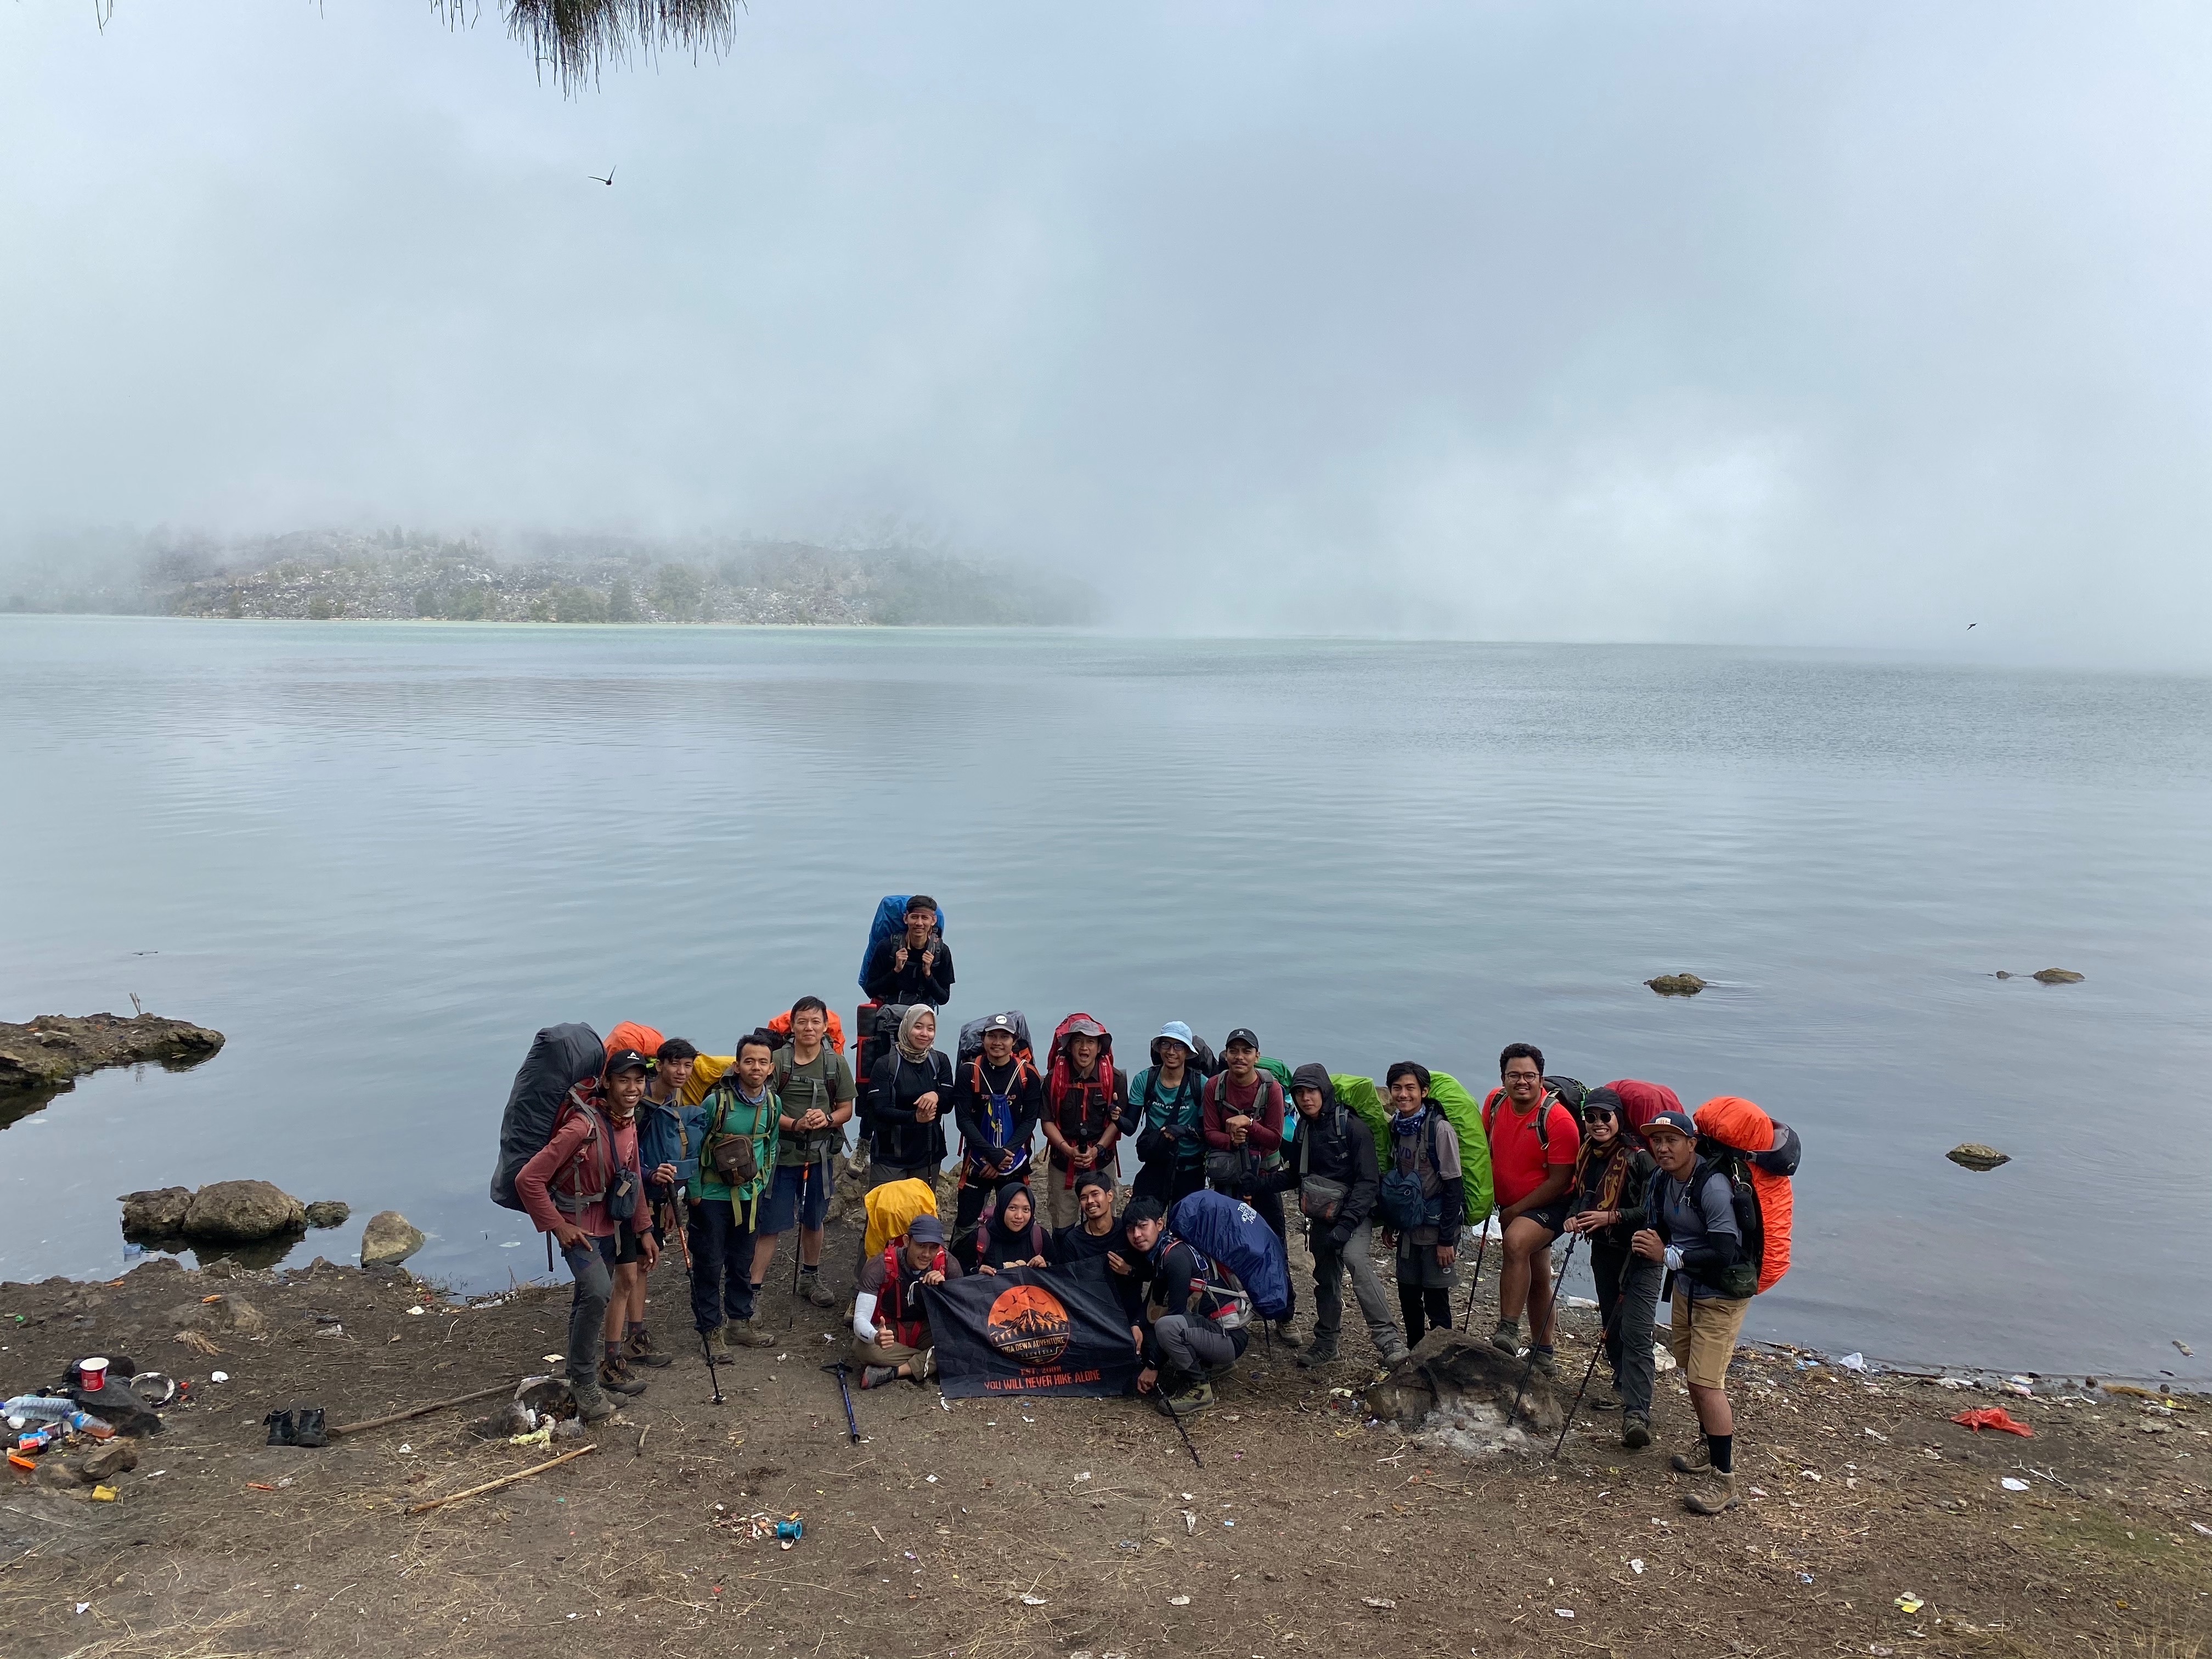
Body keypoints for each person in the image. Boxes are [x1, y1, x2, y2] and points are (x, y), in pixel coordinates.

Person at [515, 1046, 659, 1422]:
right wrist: (556, 1224)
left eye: (639, 1080)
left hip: (609, 1226)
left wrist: (643, 1229)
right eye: (624, 1080)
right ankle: (583, 1382)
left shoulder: (628, 1122)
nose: (632, 1088)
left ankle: (580, 1376)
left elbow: (633, 1181)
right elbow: (528, 1179)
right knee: (598, 1291)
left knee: (587, 1298)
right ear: (607, 1082)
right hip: (578, 1229)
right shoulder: (582, 1126)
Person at [1636, 1108, 1752, 1514]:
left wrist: (1668, 1256)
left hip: (1721, 1294)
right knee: (1690, 1370)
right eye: (1657, 1141)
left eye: (1672, 1140)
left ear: (1692, 1144)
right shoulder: (1662, 1180)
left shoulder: (1714, 1187)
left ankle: (1725, 1480)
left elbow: (1725, 1251)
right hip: (1687, 1289)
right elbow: (1662, 1230)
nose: (1663, 1148)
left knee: (1706, 1382)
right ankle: (1707, 1445)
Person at [1257, 1064, 1407, 1368]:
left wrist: (1347, 1224)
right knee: (1325, 1278)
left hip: (1355, 1213)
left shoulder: (1352, 1128)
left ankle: (1389, 1340)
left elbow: (1368, 1183)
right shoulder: (1304, 1130)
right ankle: (1327, 1343)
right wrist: (1258, 1184)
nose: (1305, 1099)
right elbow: (1298, 1175)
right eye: (1299, 1093)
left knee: (1356, 1261)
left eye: (1311, 1091)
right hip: (1322, 1214)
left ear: (1324, 1091)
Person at [1564, 1085, 1662, 1448]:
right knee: (1612, 1324)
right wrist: (1575, 1217)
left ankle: (1637, 1415)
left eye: (1605, 1116)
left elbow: (1656, 1211)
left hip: (1641, 1254)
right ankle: (1624, 1388)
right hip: (1604, 1251)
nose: (1597, 1123)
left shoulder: (1640, 1159)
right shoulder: (1588, 1154)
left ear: (1618, 1118)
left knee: (1636, 1332)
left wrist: (1612, 1216)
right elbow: (1581, 1196)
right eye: (1590, 1117)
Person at [1482, 1042, 1581, 1373]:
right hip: (1512, 1203)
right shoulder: (1495, 1103)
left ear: (1541, 1077)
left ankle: (1508, 1329)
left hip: (1551, 1203)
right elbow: (1485, 1149)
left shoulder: (1558, 1120)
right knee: (1537, 1276)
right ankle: (1544, 1352)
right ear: (1503, 1077)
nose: (1521, 1082)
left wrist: (1513, 1211)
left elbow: (1559, 1181)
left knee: (1515, 1243)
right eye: (1514, 1075)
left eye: (1529, 1076)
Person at [751, 997, 855, 1310]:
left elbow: (847, 1109)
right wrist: (795, 1124)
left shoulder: (835, 1063)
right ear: (792, 1026)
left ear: (825, 1026)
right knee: (770, 1225)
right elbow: (763, 1106)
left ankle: (810, 1276)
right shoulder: (778, 1061)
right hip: (781, 1157)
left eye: (815, 1022)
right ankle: (752, 1290)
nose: (809, 1028)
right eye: (802, 1022)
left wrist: (827, 1120)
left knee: (814, 1219)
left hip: (820, 1157)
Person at [1201, 1029, 1296, 1339]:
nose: (1239, 1057)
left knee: (1273, 1243)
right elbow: (1209, 1133)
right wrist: (1232, 1139)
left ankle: (1285, 1313)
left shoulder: (1272, 1089)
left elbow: (1274, 1139)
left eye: (1246, 1051)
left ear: (1257, 1055)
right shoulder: (1215, 1086)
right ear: (1225, 1055)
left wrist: (1249, 1125)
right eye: (1233, 1050)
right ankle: (1234, 1307)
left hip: (1264, 1178)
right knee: (1227, 1241)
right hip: (1228, 1177)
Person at [690, 1033, 780, 1352]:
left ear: (771, 1068)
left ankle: (738, 1324)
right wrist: (695, 1192)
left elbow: (771, 1145)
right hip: (712, 1198)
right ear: (737, 1065)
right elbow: (696, 1148)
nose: (756, 1067)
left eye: (762, 1062)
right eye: (749, 1061)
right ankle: (710, 1331)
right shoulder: (716, 1102)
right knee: (709, 1263)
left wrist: (762, 1179)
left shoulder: (772, 1102)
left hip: (750, 1196)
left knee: (742, 1262)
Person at [624, 1036, 702, 1370]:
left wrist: (674, 1199)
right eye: (675, 1064)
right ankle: (629, 1339)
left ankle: (635, 1336)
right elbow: (626, 1155)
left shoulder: (672, 1099)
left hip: (657, 1197)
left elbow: (673, 1153)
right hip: (630, 1198)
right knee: (629, 1269)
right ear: (659, 1065)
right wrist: (648, 1176)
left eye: (688, 1065)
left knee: (642, 1265)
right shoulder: (638, 1104)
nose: (682, 1071)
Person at [1375, 1061, 1465, 1347]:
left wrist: (1447, 1240)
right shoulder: (1397, 1127)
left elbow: (1454, 1187)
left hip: (1435, 1230)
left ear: (1424, 1091)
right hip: (1408, 1231)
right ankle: (1415, 1357)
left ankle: (1443, 1360)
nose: (1403, 1094)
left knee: (1436, 1299)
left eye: (1410, 1088)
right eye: (1397, 1088)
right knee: (1408, 1297)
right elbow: (1398, 1179)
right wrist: (1391, 1222)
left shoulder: (1440, 1130)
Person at [1133, 1205, 1246, 1415]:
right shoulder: (1165, 1250)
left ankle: (1200, 1390)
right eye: (1131, 1230)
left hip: (1229, 1339)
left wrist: (1152, 1366)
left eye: (1142, 1226)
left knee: (1167, 1326)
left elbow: (1176, 1315)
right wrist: (1137, 1324)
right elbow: (1153, 1299)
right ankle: (1213, 1366)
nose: (1137, 1235)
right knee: (1159, 1324)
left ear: (1159, 1224)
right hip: (1220, 1332)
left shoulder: (1174, 1258)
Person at [951, 1012, 1044, 1247]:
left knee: (1018, 1218)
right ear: (983, 1039)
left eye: (1005, 1037)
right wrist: (991, 1155)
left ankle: (1018, 1268)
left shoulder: (1028, 1074)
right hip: (978, 1160)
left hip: (1013, 1158)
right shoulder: (969, 1072)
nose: (998, 1042)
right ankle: (960, 1272)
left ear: (1014, 1041)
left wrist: (1004, 1155)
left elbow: (1030, 1119)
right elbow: (963, 1119)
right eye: (992, 1036)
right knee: (966, 1221)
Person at [852, 1214, 962, 1387]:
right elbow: (860, 1319)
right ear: (906, 1241)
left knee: (961, 1344)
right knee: (863, 1348)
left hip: (928, 1329)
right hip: (890, 1329)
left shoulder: (948, 1265)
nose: (927, 1254)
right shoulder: (880, 1265)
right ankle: (935, 1359)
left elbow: (960, 1316)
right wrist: (876, 1337)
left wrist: (944, 1289)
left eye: (933, 1248)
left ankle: (896, 1371)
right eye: (920, 1246)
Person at [1041, 1015, 1125, 1232]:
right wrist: (1067, 1150)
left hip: (1102, 1161)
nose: (1084, 1048)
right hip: (1063, 1162)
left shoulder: (1115, 1079)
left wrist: (1097, 1150)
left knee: (1104, 1224)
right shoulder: (1053, 1080)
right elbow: (1047, 1121)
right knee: (1063, 1227)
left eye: (1091, 1042)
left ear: (1099, 1048)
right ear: (1069, 1047)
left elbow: (1117, 1122)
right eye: (1079, 1041)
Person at [864, 1004, 954, 1189]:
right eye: (918, 1027)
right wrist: (915, 1117)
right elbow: (879, 1111)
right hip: (890, 1156)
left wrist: (936, 1095)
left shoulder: (940, 1061)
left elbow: (949, 1102)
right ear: (906, 1027)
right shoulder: (885, 1064)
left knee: (920, 1216)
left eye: (931, 1029)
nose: (924, 1033)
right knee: (885, 1214)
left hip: (928, 1153)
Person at [1125, 1022, 1208, 1206]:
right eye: (1166, 1045)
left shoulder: (1201, 1085)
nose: (1171, 1052)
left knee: (1184, 1228)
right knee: (1140, 1220)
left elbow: (1208, 1133)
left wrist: (1184, 1131)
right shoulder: (1144, 1080)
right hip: (1156, 1164)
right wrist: (1113, 1113)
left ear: (1187, 1051)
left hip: (1191, 1168)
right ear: (1159, 1048)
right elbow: (1130, 1127)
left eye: (1178, 1046)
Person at [862, 895, 954, 1008]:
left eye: (925, 918)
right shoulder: (887, 947)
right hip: (889, 1015)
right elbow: (870, 990)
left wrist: (928, 974)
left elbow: (943, 998)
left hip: (921, 1018)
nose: (919, 923)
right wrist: (896, 971)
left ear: (933, 921)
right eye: (914, 917)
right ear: (906, 919)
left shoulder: (941, 952)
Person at [1048, 1170, 1122, 1272]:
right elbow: (1068, 1280)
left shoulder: (1125, 1231)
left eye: (1095, 1194)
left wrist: (1129, 1270)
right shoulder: (1073, 1240)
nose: (1090, 1201)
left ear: (1110, 1196)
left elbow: (1146, 1271)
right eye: (1084, 1198)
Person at [971, 1183, 1048, 1274]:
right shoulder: (980, 1237)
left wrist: (1046, 1267)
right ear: (1002, 1207)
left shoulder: (1040, 1236)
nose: (1019, 1216)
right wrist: (977, 1273)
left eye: (1026, 1209)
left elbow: (1058, 1276)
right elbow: (959, 1278)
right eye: (1012, 1208)